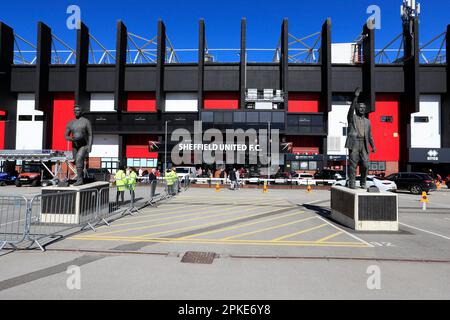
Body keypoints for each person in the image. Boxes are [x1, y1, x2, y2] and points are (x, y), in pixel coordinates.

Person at [345, 87, 376, 189]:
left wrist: (373, 146)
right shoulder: (352, 118)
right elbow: (351, 111)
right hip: (354, 143)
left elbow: (370, 135)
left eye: (363, 108)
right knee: (353, 164)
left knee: (366, 164)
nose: (362, 109)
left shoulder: (368, 121)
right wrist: (355, 98)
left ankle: (363, 182)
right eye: (360, 107)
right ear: (357, 109)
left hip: (364, 144)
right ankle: (352, 183)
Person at [64, 104, 93, 186]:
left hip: (84, 145)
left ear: (81, 111)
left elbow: (90, 134)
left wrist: (90, 146)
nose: (76, 112)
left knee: (79, 159)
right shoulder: (71, 123)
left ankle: (80, 180)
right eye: (74, 110)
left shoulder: (86, 122)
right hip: (75, 145)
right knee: (76, 161)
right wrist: (71, 139)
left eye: (77, 110)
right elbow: (66, 135)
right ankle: (80, 178)